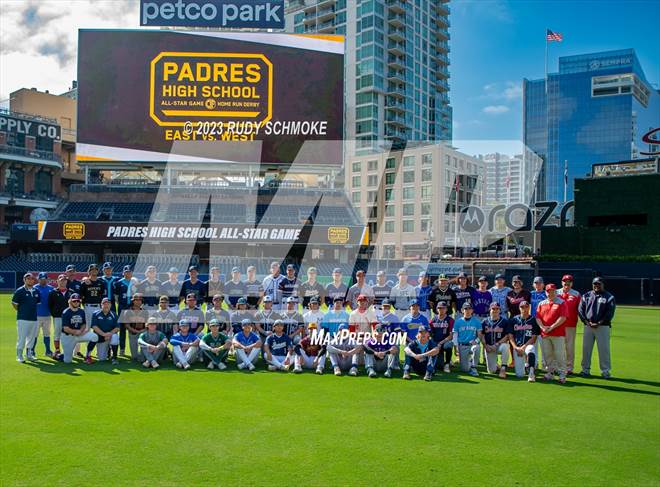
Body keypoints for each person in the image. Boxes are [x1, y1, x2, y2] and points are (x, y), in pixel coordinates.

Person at [578, 277, 616, 379]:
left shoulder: (609, 297)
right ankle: (585, 370)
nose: (596, 285)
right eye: (595, 284)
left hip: (602, 327)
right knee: (586, 349)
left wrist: (599, 322)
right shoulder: (586, 296)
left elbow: (610, 313)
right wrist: (586, 321)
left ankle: (605, 372)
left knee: (604, 350)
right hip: (588, 326)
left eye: (599, 284)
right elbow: (580, 310)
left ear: (603, 284)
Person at [536, 283, 568, 383]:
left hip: (558, 333)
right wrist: (542, 327)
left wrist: (551, 327)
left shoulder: (561, 302)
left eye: (553, 291)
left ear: (556, 291)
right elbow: (538, 317)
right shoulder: (542, 303)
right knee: (547, 355)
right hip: (545, 333)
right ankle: (550, 373)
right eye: (548, 291)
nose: (551, 293)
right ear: (546, 292)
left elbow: (563, 317)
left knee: (559, 355)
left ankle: (562, 375)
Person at [60, 293, 98, 364]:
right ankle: (58, 356)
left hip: (79, 334)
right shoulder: (66, 312)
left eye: (78, 301)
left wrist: (81, 331)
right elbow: (65, 328)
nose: (76, 302)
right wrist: (75, 332)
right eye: (74, 301)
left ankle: (87, 356)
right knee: (67, 361)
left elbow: (84, 324)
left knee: (94, 336)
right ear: (70, 301)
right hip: (68, 336)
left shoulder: (81, 311)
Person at [12, 273, 40, 362]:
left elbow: (37, 303)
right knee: (22, 337)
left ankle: (29, 354)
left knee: (31, 338)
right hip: (23, 319)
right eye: (28, 278)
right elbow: (14, 304)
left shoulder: (36, 291)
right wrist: (22, 311)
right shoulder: (20, 291)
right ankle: (19, 355)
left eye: (31, 278)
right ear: (24, 280)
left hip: (34, 318)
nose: (30, 280)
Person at [508, 300, 539, 381]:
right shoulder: (514, 320)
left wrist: (523, 347)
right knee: (519, 375)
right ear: (519, 308)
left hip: (527, 345)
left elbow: (534, 337)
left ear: (529, 308)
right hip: (517, 348)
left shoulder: (533, 320)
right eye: (522, 307)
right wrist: (515, 347)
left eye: (526, 307)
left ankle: (531, 372)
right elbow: (510, 336)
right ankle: (526, 366)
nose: (524, 309)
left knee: (531, 348)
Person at [479, 302, 510, 378]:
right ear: (490, 310)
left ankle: (503, 368)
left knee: (506, 347)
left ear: (500, 310)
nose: (495, 310)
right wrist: (485, 346)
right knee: (491, 371)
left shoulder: (504, 321)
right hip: (489, 347)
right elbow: (481, 335)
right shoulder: (484, 321)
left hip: (499, 346)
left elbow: (507, 336)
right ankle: (496, 365)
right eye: (493, 309)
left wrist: (496, 344)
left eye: (497, 309)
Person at [558, 274, 581, 375]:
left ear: (572, 283)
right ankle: (556, 366)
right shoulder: (556, 292)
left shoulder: (576, 294)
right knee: (557, 346)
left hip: (570, 324)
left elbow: (580, 309)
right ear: (562, 282)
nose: (566, 283)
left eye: (569, 281)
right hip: (557, 324)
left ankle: (569, 367)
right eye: (565, 281)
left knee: (569, 347)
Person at [87, 297, 120, 364]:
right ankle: (88, 355)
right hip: (100, 337)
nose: (106, 305)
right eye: (104, 304)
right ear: (101, 305)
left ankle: (114, 357)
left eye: (108, 304)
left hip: (109, 336)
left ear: (110, 305)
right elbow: (94, 326)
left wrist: (109, 334)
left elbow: (117, 327)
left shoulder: (114, 314)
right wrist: (104, 334)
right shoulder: (95, 313)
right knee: (102, 358)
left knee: (115, 337)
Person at [452, 302, 482, 377]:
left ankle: (473, 367)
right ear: (462, 310)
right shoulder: (458, 322)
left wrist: (476, 341)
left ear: (472, 310)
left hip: (472, 345)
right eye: (466, 309)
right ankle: (469, 361)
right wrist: (456, 348)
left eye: (469, 309)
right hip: (462, 346)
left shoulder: (477, 321)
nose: (467, 310)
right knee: (464, 369)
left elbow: (480, 335)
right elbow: (455, 335)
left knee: (477, 348)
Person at [48, 274, 71, 359]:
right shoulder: (53, 292)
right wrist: (54, 314)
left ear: (66, 281)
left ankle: (67, 350)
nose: (63, 281)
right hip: (57, 317)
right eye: (61, 280)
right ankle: (57, 350)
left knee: (68, 334)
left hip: (68, 317)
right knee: (57, 333)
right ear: (57, 281)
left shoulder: (70, 292)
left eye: (64, 280)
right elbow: (50, 305)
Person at [120, 293, 149, 361]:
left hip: (143, 333)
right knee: (134, 357)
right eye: (136, 300)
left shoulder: (145, 311)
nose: (138, 301)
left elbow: (147, 324)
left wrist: (142, 330)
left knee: (143, 357)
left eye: (140, 300)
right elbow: (126, 325)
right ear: (133, 301)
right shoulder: (127, 311)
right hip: (132, 333)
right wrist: (135, 331)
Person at [32, 272, 54, 358]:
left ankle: (48, 350)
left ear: (47, 279)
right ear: (38, 279)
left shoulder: (51, 288)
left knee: (47, 334)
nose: (43, 280)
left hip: (47, 315)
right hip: (36, 315)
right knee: (34, 334)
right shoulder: (34, 288)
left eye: (44, 279)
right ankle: (32, 350)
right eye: (41, 279)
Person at [114, 265, 134, 355]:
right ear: (123, 273)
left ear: (132, 273)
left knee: (133, 327)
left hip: (133, 308)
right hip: (122, 307)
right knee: (122, 329)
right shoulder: (119, 283)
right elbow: (116, 297)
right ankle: (122, 349)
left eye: (129, 272)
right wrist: (121, 304)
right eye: (126, 272)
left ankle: (134, 349)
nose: (128, 273)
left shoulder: (135, 283)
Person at [429, 301, 454, 373]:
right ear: (437, 309)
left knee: (449, 345)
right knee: (439, 366)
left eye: (443, 308)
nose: (441, 310)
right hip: (436, 342)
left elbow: (451, 336)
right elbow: (430, 333)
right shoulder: (433, 320)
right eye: (439, 308)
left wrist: (441, 343)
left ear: (446, 309)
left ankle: (447, 363)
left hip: (445, 342)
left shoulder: (450, 320)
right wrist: (434, 343)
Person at [530, 276, 547, 367]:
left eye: (540, 283)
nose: (538, 285)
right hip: (533, 322)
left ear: (543, 284)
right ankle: (534, 363)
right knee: (534, 343)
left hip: (543, 321)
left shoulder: (546, 294)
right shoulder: (531, 294)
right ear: (533, 284)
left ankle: (545, 363)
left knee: (544, 344)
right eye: (536, 283)